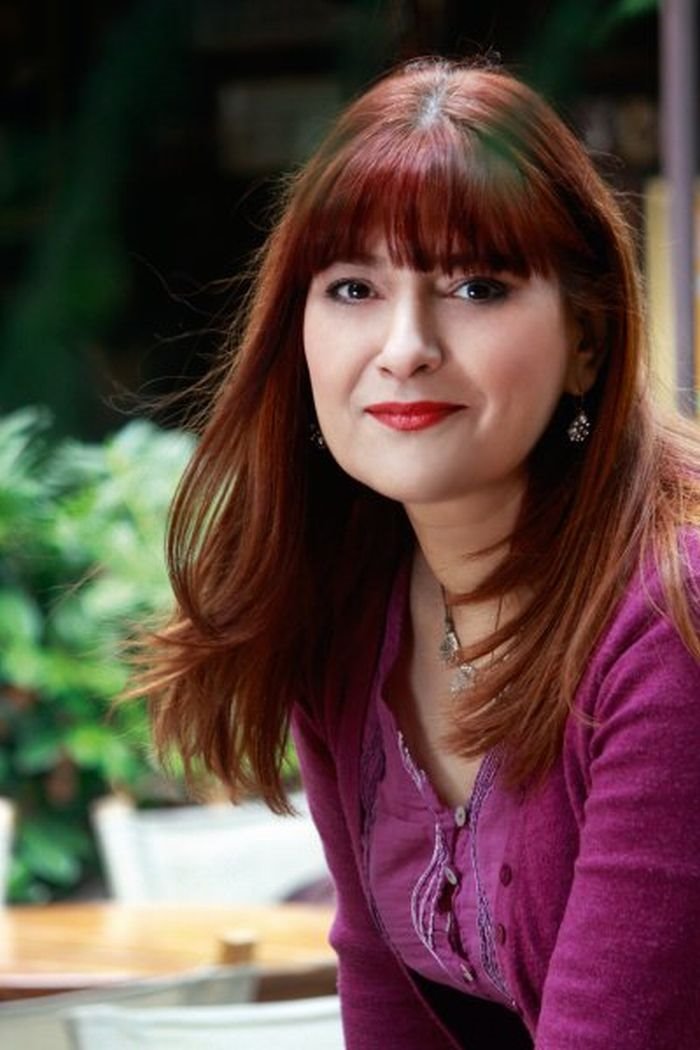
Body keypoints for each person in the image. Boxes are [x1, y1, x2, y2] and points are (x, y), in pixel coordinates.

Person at [139, 57, 700, 1048]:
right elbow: (382, 984)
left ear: (586, 340)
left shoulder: (670, 622)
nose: (405, 346)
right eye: (354, 287)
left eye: (476, 286)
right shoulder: (344, 605)